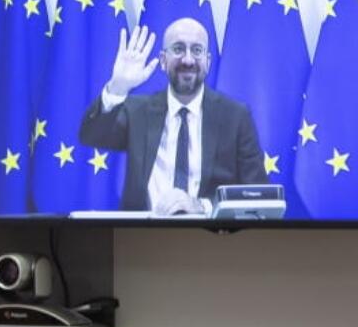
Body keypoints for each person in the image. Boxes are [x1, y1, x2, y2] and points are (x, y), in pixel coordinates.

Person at [79, 18, 266, 215]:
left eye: (196, 50)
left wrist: (201, 206)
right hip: (140, 237)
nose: (187, 60)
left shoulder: (235, 117)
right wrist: (118, 87)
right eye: (178, 49)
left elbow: (256, 195)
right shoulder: (137, 111)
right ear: (163, 60)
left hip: (212, 237)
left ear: (208, 62)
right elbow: (91, 135)